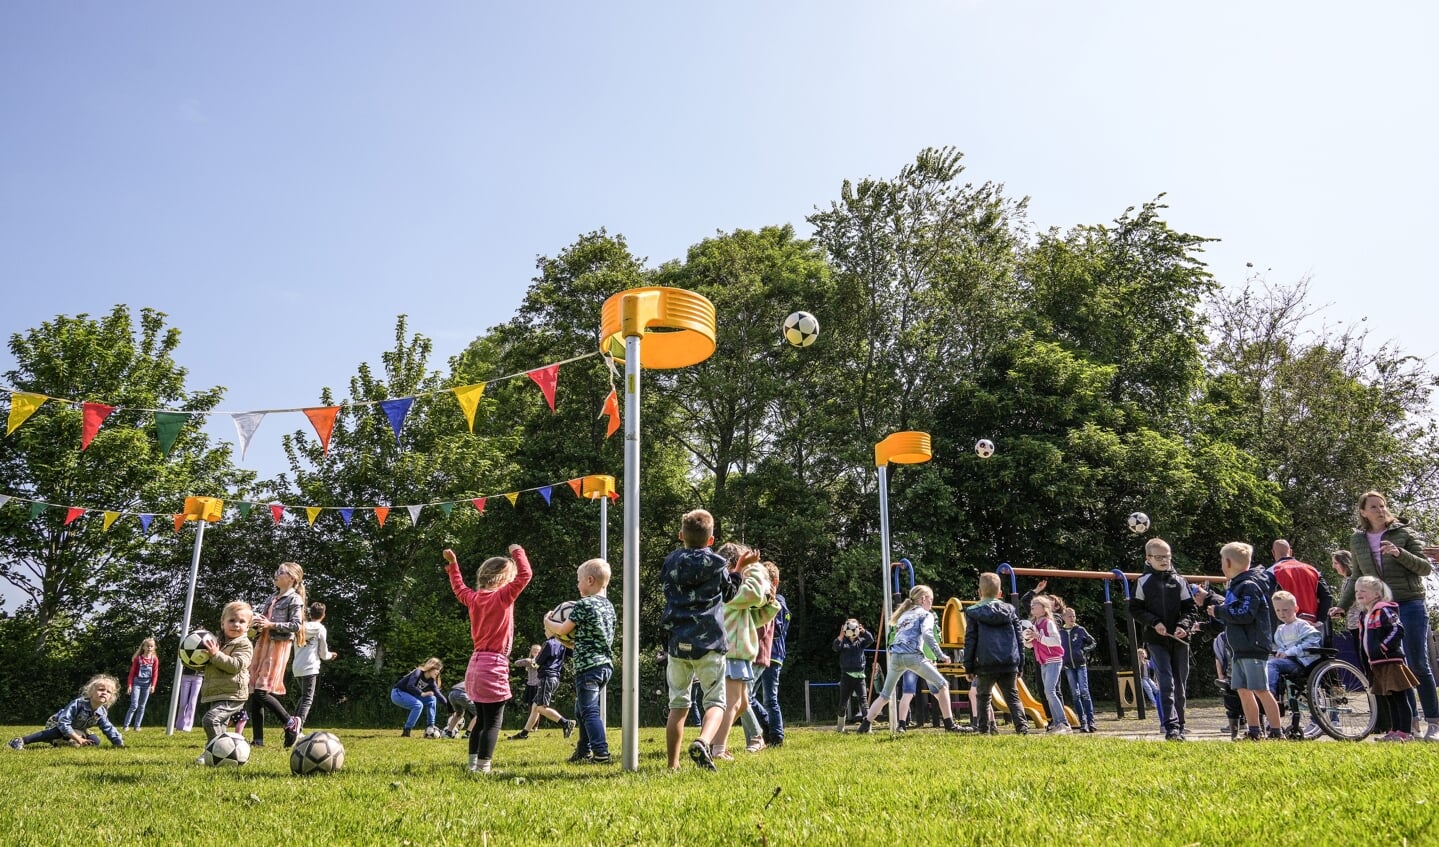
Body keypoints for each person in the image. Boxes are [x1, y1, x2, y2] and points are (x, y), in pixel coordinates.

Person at [1335, 491, 1439, 740]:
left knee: (1417, 663)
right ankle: (1407, 726)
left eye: (1382, 506)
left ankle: (1433, 724)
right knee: (1395, 666)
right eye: (1374, 507)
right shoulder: (1358, 540)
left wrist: (1399, 553)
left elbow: (1425, 568)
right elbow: (1357, 576)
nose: (1380, 510)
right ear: (1363, 512)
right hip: (1382, 607)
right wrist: (1342, 604)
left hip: (1410, 603)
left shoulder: (1403, 533)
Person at [659, 508, 736, 771]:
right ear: (711, 540)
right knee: (715, 702)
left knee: (678, 705)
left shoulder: (670, 561)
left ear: (681, 535)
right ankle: (703, 741)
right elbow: (730, 594)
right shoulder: (718, 564)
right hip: (709, 642)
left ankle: (673, 764)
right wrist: (737, 571)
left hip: (677, 641)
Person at [445, 543, 533, 773]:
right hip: (493, 666)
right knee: (493, 722)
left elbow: (458, 587)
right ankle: (484, 767)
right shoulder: (503, 597)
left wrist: (454, 565)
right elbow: (526, 574)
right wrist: (517, 551)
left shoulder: (474, 599)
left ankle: (473, 765)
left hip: (475, 666)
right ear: (504, 578)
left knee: (481, 721)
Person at [1198, 542, 1283, 741]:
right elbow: (1234, 615)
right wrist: (1217, 612)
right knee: (1242, 689)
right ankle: (1254, 730)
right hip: (1239, 647)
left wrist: (1219, 610)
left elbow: (1245, 613)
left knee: (1261, 689)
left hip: (1253, 646)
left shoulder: (1249, 585)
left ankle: (1277, 731)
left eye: (1221, 561)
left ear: (1227, 562)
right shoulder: (1236, 585)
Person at [859, 584, 965, 733]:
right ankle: (950, 725)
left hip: (896, 657)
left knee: (885, 695)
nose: (931, 604)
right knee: (943, 685)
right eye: (930, 600)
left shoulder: (903, 615)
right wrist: (941, 655)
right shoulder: (925, 615)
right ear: (923, 599)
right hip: (913, 656)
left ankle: (864, 726)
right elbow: (928, 634)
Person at [711, 543, 780, 759]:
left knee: (741, 704)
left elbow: (755, 616)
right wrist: (754, 570)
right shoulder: (729, 588)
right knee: (731, 703)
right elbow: (753, 594)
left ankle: (710, 740)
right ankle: (716, 748)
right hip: (731, 651)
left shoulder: (734, 590)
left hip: (739, 652)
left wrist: (771, 603)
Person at [546, 558, 616, 764]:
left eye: (579, 580)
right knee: (581, 709)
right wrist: (566, 642)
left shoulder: (583, 605)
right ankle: (583, 751)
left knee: (589, 710)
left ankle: (601, 753)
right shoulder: (609, 606)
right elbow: (579, 642)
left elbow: (562, 629)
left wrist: (548, 621)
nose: (577, 585)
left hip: (588, 667)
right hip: (604, 665)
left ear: (590, 580)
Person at [1129, 538, 1197, 740]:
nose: (1164, 560)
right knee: (1166, 682)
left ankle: (1181, 724)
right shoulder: (1143, 582)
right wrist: (1154, 622)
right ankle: (1171, 727)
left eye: (1167, 556)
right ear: (1148, 559)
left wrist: (1183, 626)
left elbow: (1190, 608)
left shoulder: (1179, 580)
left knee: (1180, 684)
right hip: (1156, 640)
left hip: (1179, 640)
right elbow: (1135, 609)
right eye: (1159, 557)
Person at [1355, 575, 1421, 742]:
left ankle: (1405, 732)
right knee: (1389, 697)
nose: (1358, 593)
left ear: (1377, 593)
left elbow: (1397, 629)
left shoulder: (1383, 610)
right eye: (1356, 591)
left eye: (1363, 590)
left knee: (1399, 697)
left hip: (1390, 661)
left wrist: (1383, 648)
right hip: (1376, 663)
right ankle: (1395, 730)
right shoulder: (1365, 615)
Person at [249, 561, 306, 748]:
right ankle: (258, 741)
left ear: (292, 578)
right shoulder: (272, 597)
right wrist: (257, 621)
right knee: (254, 692)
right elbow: (266, 620)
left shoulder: (294, 599)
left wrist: (271, 625)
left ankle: (290, 722)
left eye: (280, 572)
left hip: (278, 645)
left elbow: (296, 625)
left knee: (261, 691)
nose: (276, 575)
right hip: (263, 643)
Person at [964, 572, 1028, 736]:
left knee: (983, 697)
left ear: (979, 592)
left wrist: (968, 667)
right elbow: (1019, 639)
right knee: (1013, 697)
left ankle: (984, 730)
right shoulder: (1010, 610)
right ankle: (1022, 728)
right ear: (1000, 594)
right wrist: (1020, 663)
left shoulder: (973, 612)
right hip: (1009, 661)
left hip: (985, 662)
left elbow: (970, 640)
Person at [9, 674, 125, 751]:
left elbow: (108, 728)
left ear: (111, 697)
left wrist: (118, 743)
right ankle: (21, 740)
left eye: (108, 692)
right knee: (57, 732)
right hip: (58, 724)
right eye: (100, 689)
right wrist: (78, 739)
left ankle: (61, 742)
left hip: (79, 728)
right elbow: (63, 722)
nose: (104, 693)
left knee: (95, 741)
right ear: (90, 692)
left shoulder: (101, 712)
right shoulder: (78, 704)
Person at [198, 602, 254, 751]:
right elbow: (206, 664)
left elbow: (235, 665)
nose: (236, 624)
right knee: (219, 726)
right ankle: (214, 754)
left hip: (233, 693)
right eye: (232, 620)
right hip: (216, 692)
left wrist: (216, 655)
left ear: (248, 626)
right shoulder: (216, 643)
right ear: (223, 623)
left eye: (242, 622)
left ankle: (218, 750)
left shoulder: (244, 644)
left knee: (210, 720)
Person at [752, 562, 790, 747]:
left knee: (769, 698)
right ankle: (768, 727)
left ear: (774, 582)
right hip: (765, 654)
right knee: (749, 696)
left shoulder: (779, 603)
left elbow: (777, 630)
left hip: (772, 655)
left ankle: (776, 735)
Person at [510, 638, 575, 740]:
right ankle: (524, 733)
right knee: (535, 708)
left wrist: (532, 662)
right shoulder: (562, 644)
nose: (545, 630)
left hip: (546, 677)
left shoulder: (549, 643)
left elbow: (537, 663)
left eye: (546, 627)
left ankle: (566, 723)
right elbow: (572, 653)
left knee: (540, 708)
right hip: (554, 678)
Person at [290, 601, 336, 733]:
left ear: (310, 614)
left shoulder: (300, 627)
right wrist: (330, 655)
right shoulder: (320, 628)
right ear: (323, 615)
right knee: (307, 699)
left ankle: (292, 723)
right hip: (310, 667)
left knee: (303, 696)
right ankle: (296, 729)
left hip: (297, 667)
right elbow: (323, 653)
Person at [1028, 595, 1070, 733]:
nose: (1032, 605)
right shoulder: (1034, 624)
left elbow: (1056, 641)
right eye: (1032, 603)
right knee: (1048, 692)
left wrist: (1038, 637)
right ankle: (1057, 723)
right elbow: (1031, 645)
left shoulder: (1048, 623)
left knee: (1050, 691)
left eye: (1036, 604)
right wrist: (1027, 639)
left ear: (1044, 609)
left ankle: (1063, 723)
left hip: (1053, 660)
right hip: (1044, 661)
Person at [1268, 539, 1332, 624]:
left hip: (1286, 625)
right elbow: (1326, 596)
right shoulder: (1312, 570)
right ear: (1290, 552)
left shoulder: (1272, 572)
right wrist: (1320, 621)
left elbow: (1269, 600)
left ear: (1273, 552)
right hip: (1312, 624)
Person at [1059, 606, 1097, 733]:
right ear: (1064, 618)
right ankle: (1083, 722)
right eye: (1069, 616)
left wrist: (1083, 651)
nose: (1072, 618)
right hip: (1069, 666)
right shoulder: (1061, 632)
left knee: (1084, 691)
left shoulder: (1080, 630)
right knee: (1075, 694)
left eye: (1074, 616)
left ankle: (1091, 721)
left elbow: (1092, 642)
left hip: (1080, 664)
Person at [834, 618, 873, 728]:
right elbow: (835, 647)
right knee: (843, 703)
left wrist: (863, 631)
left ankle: (867, 727)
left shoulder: (861, 642)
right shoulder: (843, 642)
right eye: (849, 626)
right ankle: (840, 727)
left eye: (855, 626)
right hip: (846, 676)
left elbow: (870, 640)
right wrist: (841, 636)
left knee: (864, 702)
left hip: (860, 676)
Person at [391, 658, 445, 738]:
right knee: (418, 705)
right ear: (431, 667)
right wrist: (422, 693)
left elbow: (438, 694)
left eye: (439, 670)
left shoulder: (431, 681)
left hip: (410, 695)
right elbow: (410, 686)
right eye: (437, 669)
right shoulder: (418, 672)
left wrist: (451, 707)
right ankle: (407, 730)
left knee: (432, 699)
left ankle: (430, 725)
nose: (438, 672)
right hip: (398, 693)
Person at [122, 637, 160, 731]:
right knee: (134, 705)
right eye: (147, 646)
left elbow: (155, 673)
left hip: (147, 684)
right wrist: (129, 685)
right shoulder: (138, 659)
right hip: (137, 683)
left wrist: (153, 685)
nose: (149, 648)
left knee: (142, 706)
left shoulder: (154, 659)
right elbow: (132, 673)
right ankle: (126, 725)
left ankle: (137, 726)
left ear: (154, 647)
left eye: (151, 646)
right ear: (143, 647)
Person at [1212, 631, 1242, 741]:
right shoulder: (1222, 637)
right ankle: (1234, 733)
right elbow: (1218, 659)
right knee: (1231, 700)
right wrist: (1221, 677)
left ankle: (1258, 729)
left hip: (1248, 671)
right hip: (1230, 675)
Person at [173, 664, 203, 732]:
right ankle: (179, 726)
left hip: (198, 677)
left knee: (192, 703)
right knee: (183, 703)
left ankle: (187, 726)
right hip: (186, 676)